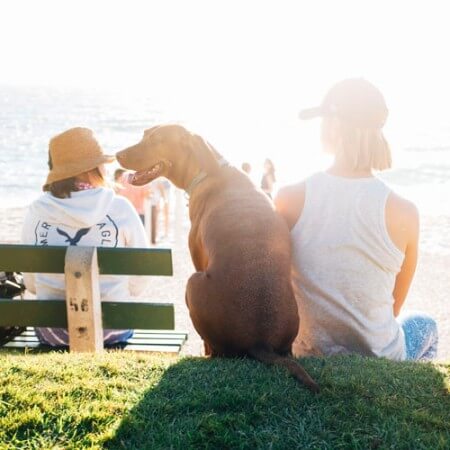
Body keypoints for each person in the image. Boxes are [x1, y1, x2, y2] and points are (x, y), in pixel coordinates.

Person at [275, 78, 438, 361]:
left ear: (335, 126)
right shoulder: (405, 212)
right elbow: (393, 309)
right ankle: (408, 390)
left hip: (309, 351)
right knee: (427, 325)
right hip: (381, 356)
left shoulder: (290, 198)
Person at [21, 127, 149, 347]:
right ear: (95, 168)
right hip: (113, 327)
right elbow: (141, 275)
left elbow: (31, 283)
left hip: (53, 330)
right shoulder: (119, 207)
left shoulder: (37, 210)